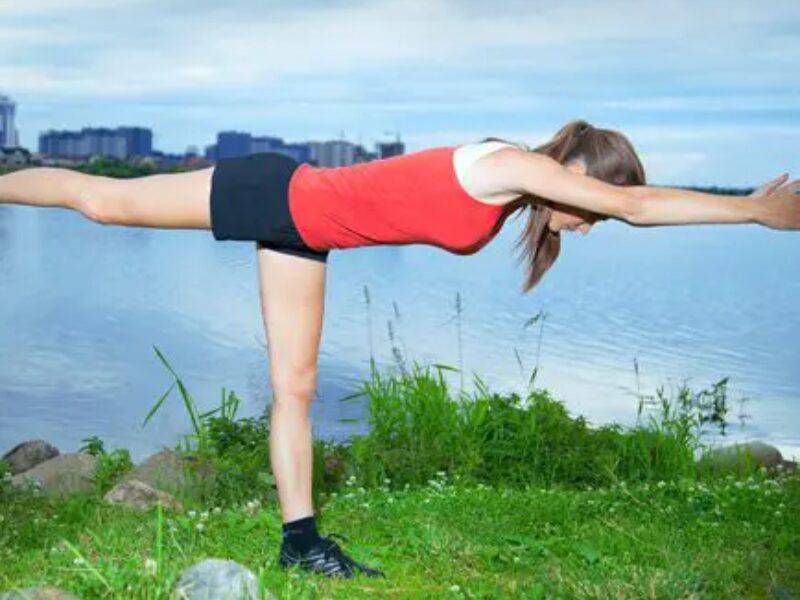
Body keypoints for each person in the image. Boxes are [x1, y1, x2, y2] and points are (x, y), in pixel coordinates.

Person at [0, 119, 797, 578]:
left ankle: (300, 544)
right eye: (594, 202)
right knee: (102, 204)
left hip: (305, 236)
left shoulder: (517, 187)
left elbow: (624, 202)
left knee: (297, 388)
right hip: (275, 192)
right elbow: (638, 204)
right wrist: (755, 213)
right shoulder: (513, 165)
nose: (595, 220)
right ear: (578, 173)